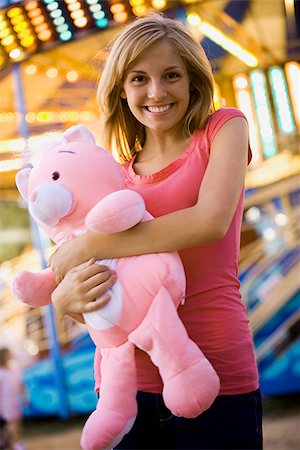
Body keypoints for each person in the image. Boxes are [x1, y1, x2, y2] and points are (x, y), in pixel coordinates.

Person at [50, 13, 263, 450]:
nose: (156, 92)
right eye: (139, 79)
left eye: (171, 76)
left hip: (217, 372)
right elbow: (102, 281)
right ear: (121, 89)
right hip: (130, 387)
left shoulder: (223, 128)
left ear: (192, 81)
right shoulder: (115, 178)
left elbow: (210, 221)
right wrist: (63, 299)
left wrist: (94, 242)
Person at [0, 347, 27, 450]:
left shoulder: (13, 370)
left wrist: (24, 396)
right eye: (8, 353)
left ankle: (14, 441)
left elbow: (20, 385)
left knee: (16, 422)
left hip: (15, 401)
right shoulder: (1, 372)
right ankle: (16, 443)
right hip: (5, 402)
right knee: (12, 423)